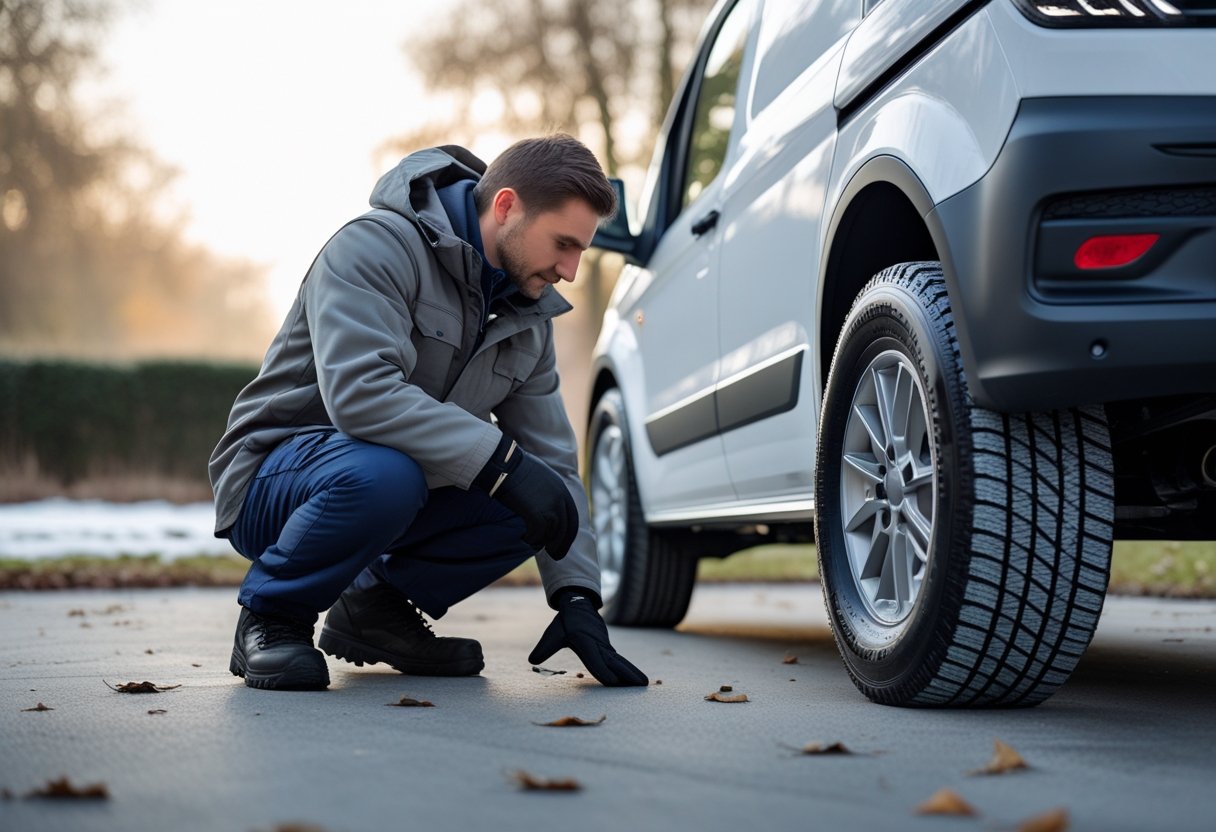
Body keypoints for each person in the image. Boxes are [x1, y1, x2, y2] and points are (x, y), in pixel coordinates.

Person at [209, 134, 647, 691]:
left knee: (540, 501)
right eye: (563, 244)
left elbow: (554, 462)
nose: (570, 270)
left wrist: (577, 596)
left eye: (581, 250)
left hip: (393, 486)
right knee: (403, 474)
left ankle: (375, 608)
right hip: (276, 479)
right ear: (507, 206)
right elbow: (361, 395)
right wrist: (505, 465)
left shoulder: (527, 318)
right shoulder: (375, 247)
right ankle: (271, 617)